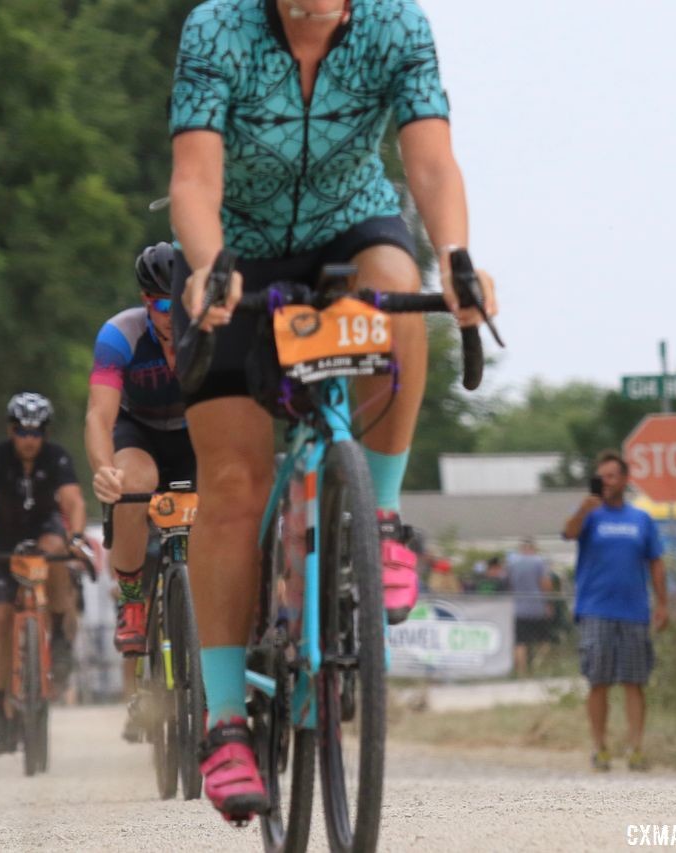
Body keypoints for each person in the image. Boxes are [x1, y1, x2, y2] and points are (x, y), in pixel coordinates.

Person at [168, 0, 497, 820]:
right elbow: (195, 177)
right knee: (235, 485)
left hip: (352, 228)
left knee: (398, 281)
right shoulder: (218, 27)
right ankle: (226, 721)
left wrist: (457, 259)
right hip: (234, 246)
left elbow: (429, 165)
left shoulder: (397, 26)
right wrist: (209, 267)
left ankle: (377, 516)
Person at [85, 242, 197, 656]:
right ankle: (132, 598)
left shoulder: (210, 330)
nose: (176, 316)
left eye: (184, 303)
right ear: (146, 302)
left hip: (192, 432)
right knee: (132, 482)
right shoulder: (120, 335)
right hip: (139, 431)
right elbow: (99, 415)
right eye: (165, 305)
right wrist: (102, 468)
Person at [0, 393, 86, 755]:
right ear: (11, 430)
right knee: (0, 618)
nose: (29, 439)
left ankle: (61, 639)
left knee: (56, 551)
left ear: (45, 434)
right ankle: (1, 711)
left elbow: (73, 501)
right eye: (22, 431)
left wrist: (78, 536)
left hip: (43, 534)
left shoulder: (57, 457)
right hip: (2, 543)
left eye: (36, 432)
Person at [562, 450, 668, 772]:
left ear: (624, 480)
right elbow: (568, 533)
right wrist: (584, 507)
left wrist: (663, 602)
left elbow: (656, 562)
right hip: (595, 609)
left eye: (611, 476)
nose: (605, 482)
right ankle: (600, 747)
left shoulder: (641, 519)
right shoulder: (590, 515)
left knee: (634, 681)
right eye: (601, 477)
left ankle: (636, 748)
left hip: (634, 611)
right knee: (598, 680)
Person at [506, 537, 554, 677]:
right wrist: (549, 603)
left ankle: (522, 672)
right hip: (537, 606)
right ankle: (539, 668)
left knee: (520, 641)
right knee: (543, 639)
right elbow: (545, 583)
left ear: (521, 548)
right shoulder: (540, 561)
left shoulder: (512, 563)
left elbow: (509, 584)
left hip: (518, 607)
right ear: (533, 548)